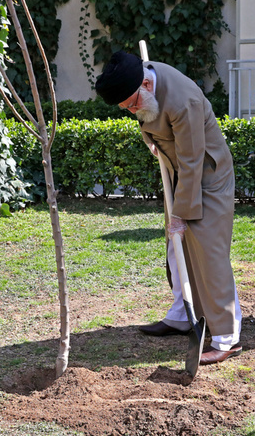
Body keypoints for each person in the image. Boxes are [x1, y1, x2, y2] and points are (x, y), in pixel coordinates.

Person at [95, 51, 243, 365]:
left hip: (207, 175)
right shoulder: (141, 82)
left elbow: (193, 160)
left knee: (209, 251)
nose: (132, 111)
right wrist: (152, 140)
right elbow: (149, 116)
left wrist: (180, 213)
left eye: (131, 104)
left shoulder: (183, 101)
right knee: (176, 247)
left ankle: (227, 337)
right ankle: (180, 313)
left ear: (147, 84)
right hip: (181, 173)